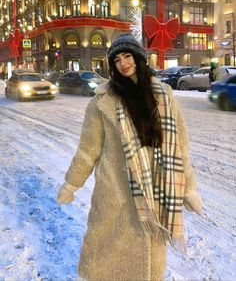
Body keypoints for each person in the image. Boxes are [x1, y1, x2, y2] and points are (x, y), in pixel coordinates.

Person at [57, 33, 201, 281]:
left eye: (127, 56)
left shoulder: (164, 95)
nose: (123, 63)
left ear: (139, 58)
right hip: (116, 199)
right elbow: (87, 150)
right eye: (117, 60)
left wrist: (188, 188)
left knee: (148, 269)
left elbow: (179, 146)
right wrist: (71, 184)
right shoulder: (103, 102)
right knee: (107, 267)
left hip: (155, 197)